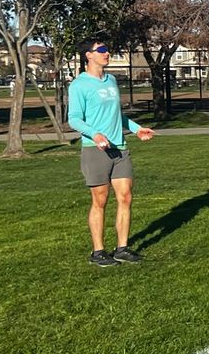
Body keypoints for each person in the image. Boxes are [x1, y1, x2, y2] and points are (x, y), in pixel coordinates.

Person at [67, 39, 156, 266]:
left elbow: (118, 115)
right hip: (95, 150)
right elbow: (74, 118)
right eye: (102, 50)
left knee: (125, 197)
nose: (107, 54)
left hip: (120, 148)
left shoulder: (111, 80)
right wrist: (95, 134)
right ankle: (98, 252)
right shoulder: (79, 85)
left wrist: (136, 130)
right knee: (100, 200)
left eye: (107, 50)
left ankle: (122, 248)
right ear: (89, 55)